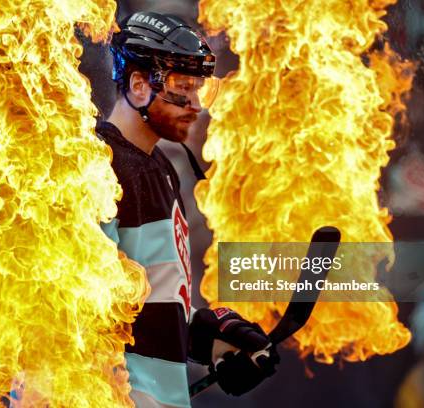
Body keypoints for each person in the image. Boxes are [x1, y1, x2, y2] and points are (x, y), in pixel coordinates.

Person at [97, 11, 280, 407]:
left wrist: (213, 335)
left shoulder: (161, 168)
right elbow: (75, 311)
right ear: (139, 85)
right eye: (183, 87)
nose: (196, 104)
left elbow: (148, 302)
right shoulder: (97, 167)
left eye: (200, 89)